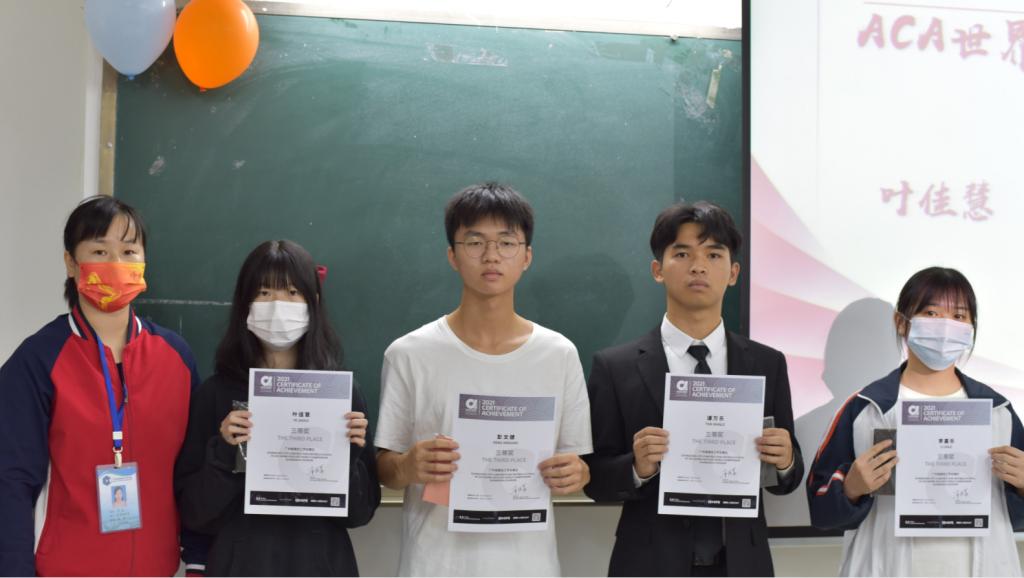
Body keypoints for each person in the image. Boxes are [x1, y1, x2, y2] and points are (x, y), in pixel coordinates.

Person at [374, 183, 593, 576]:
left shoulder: (558, 354)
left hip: (529, 566)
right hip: (434, 565)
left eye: (506, 242)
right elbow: (386, 469)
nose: (491, 255)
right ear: (452, 256)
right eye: (474, 242)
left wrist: (577, 473)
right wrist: (407, 466)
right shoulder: (409, 354)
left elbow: (578, 464)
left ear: (527, 256)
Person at [584, 201, 804, 577]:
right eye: (682, 253)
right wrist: (636, 467)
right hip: (649, 565)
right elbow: (594, 478)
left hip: (741, 565)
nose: (698, 266)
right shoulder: (615, 367)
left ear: (733, 273)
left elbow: (787, 479)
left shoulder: (767, 363)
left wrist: (785, 461)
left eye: (714, 255)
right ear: (658, 270)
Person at [0, 195, 204, 576]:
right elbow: (11, 481)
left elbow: (192, 474)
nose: (116, 263)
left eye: (129, 251)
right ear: (71, 263)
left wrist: (198, 560)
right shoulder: (38, 359)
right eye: (99, 251)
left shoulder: (176, 358)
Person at [175, 240, 380, 576]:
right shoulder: (216, 394)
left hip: (321, 565)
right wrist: (225, 452)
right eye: (264, 293)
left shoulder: (341, 397)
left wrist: (348, 458)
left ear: (313, 302)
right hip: (239, 566)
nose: (277, 305)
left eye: (292, 292)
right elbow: (194, 514)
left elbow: (360, 514)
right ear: (245, 304)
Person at [808, 267, 1024, 576]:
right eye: (931, 313)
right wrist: (851, 488)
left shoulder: (997, 411)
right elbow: (820, 510)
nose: (946, 327)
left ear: (971, 329)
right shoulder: (865, 408)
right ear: (901, 322)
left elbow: (1016, 516)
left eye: (959, 316)